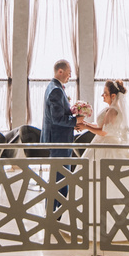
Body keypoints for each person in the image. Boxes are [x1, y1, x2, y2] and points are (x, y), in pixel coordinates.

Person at [41, 59, 87, 214]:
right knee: (61, 180)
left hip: (59, 140)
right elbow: (57, 119)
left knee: (57, 179)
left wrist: (73, 119)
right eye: (68, 73)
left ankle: (54, 213)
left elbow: (59, 116)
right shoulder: (55, 90)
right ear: (60, 71)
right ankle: (57, 215)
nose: (70, 76)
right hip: (59, 142)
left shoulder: (53, 88)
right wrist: (76, 120)